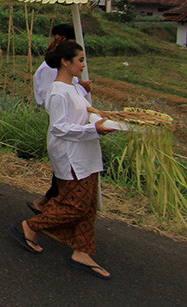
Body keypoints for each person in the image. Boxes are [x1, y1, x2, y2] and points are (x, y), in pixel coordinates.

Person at [10, 41, 114, 280]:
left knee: (87, 207)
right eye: (80, 60)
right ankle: (32, 226)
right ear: (66, 62)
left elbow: (88, 112)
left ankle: (82, 251)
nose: (83, 65)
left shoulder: (75, 88)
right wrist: (94, 130)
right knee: (74, 205)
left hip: (86, 153)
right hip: (71, 155)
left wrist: (107, 121)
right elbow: (59, 128)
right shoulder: (57, 91)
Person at [29, 24, 81, 214]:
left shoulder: (69, 79)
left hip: (72, 128)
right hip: (64, 130)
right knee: (65, 171)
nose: (82, 64)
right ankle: (42, 213)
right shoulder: (53, 78)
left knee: (66, 173)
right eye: (80, 59)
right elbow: (47, 99)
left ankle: (49, 203)